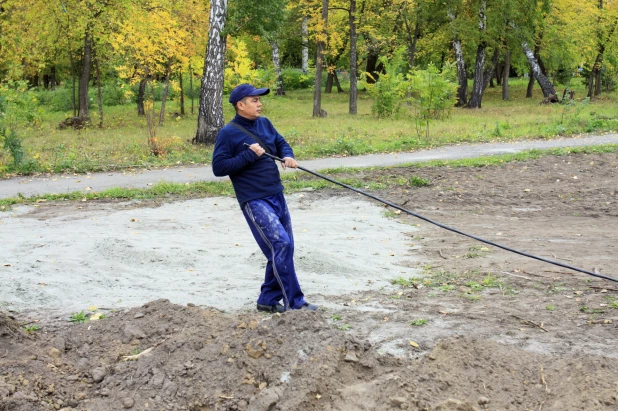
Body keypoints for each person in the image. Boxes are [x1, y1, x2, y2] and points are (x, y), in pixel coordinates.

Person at [212, 83, 318, 313]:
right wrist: (249, 155)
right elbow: (219, 167)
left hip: (276, 194)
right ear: (240, 105)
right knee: (281, 244)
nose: (259, 104)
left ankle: (268, 299)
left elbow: (280, 143)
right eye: (254, 100)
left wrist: (287, 156)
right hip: (254, 199)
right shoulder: (228, 133)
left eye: (259, 100)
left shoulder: (265, 123)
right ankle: (296, 303)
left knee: (282, 248)